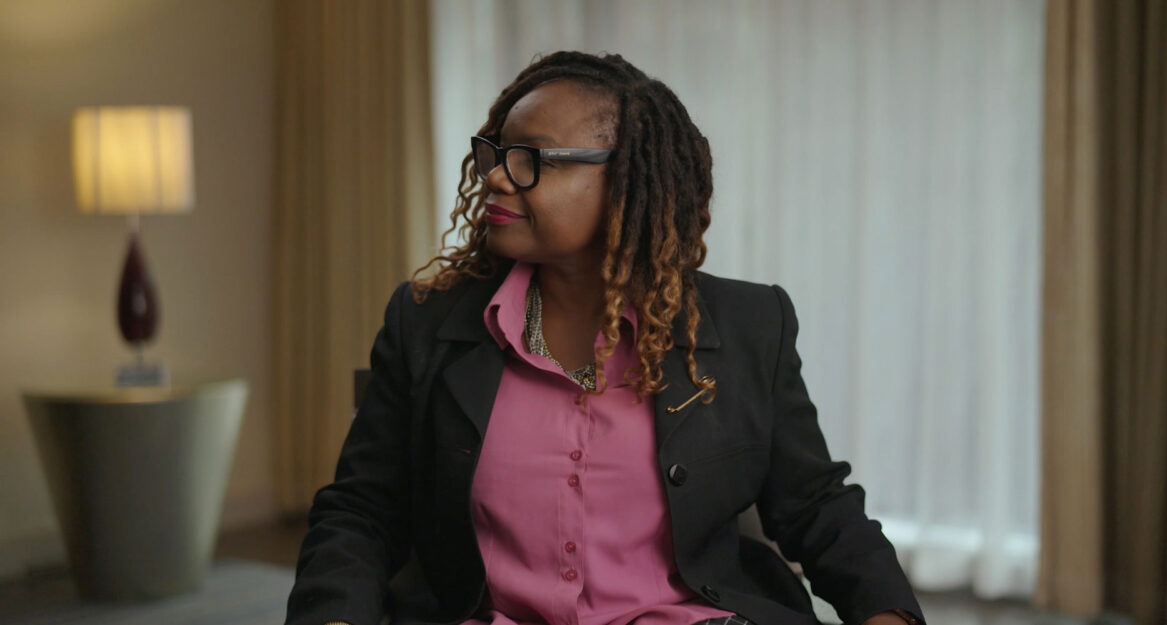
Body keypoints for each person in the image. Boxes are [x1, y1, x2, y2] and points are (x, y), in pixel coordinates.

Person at [284, 51, 924, 625]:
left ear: (625, 182)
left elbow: (816, 506)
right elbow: (362, 510)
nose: (496, 178)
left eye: (531, 160)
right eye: (495, 153)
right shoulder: (425, 322)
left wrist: (887, 615)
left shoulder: (750, 325)